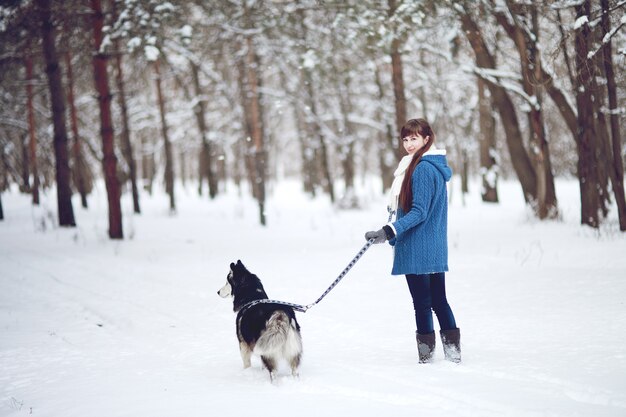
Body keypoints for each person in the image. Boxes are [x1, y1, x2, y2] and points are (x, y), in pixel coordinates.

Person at [365, 118, 461, 364]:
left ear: (426, 139)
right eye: (405, 139)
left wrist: (389, 230)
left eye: (414, 138)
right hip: (432, 246)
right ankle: (452, 355)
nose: (408, 144)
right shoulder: (424, 166)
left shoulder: (422, 169)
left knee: (423, 304)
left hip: (420, 247)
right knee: (438, 301)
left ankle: (427, 359)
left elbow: (420, 212)